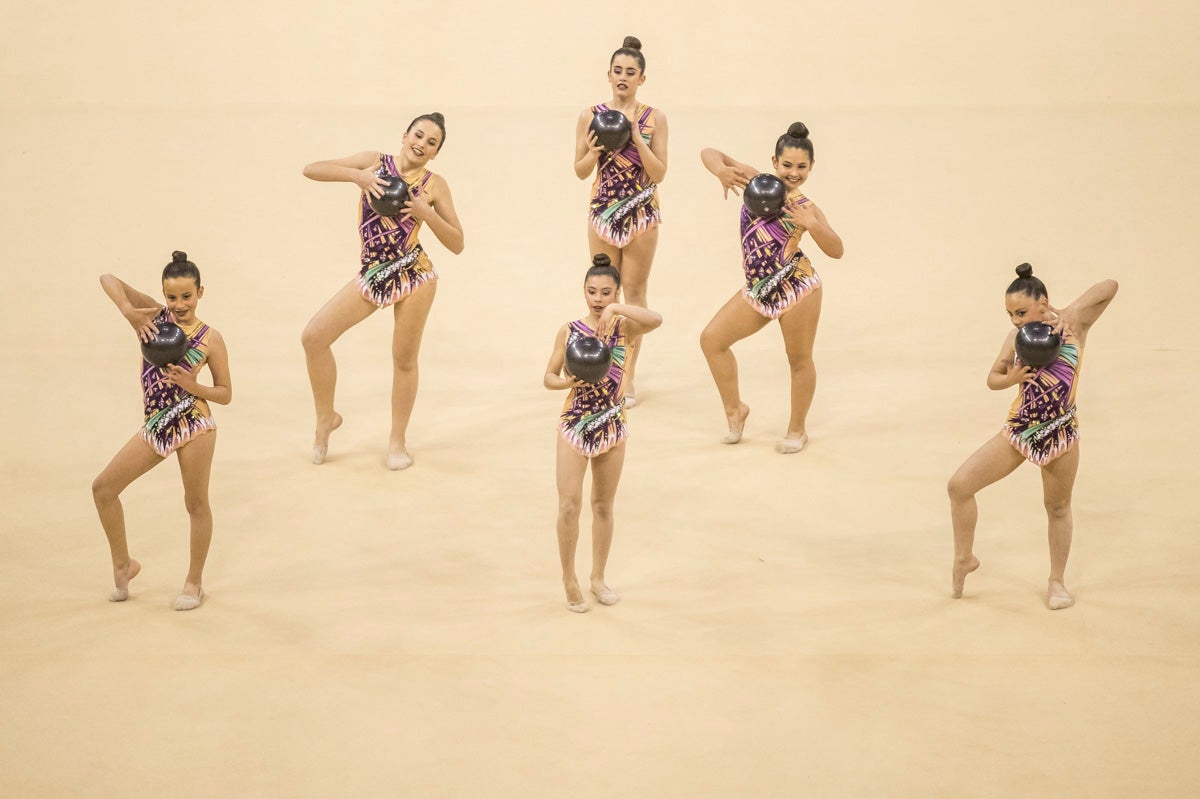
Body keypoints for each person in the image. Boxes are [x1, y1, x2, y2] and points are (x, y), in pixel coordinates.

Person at [948, 263, 1118, 609]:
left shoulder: (1074, 328)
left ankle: (1057, 582)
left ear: (1044, 302)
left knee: (1057, 506)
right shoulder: (1014, 339)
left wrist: (1071, 310)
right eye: (1010, 313)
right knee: (959, 486)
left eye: (1021, 312)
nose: (1015, 320)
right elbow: (992, 379)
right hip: (1021, 431)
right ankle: (964, 558)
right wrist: (1011, 379)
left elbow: (1110, 286)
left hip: (1060, 433)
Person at [301, 112, 464, 469]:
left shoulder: (435, 184)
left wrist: (426, 211)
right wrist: (357, 176)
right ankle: (326, 418)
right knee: (314, 337)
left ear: (435, 153)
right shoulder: (374, 163)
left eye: (431, 142)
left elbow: (457, 243)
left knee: (404, 359)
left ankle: (397, 442)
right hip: (374, 273)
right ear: (404, 135)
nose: (421, 144)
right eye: (418, 135)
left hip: (414, 275)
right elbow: (311, 169)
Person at [93, 251, 232, 610]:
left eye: (187, 296)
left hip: (193, 420)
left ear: (201, 292)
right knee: (104, 488)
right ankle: (124, 565)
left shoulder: (210, 338)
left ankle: (194, 582)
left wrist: (193, 385)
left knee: (195, 502)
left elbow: (226, 393)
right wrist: (127, 311)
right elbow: (108, 278)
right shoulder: (153, 318)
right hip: (157, 423)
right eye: (172, 296)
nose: (180, 304)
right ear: (163, 295)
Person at [699, 122, 844, 453]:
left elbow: (837, 250)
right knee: (712, 340)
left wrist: (813, 226)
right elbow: (708, 153)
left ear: (811, 167)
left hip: (798, 288)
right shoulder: (754, 180)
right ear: (775, 161)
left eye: (801, 167)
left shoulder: (806, 207)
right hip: (759, 291)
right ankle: (736, 410)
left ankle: (797, 430)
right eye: (787, 165)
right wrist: (721, 170)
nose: (793, 173)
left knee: (798, 359)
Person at [544, 254, 662, 612]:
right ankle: (569, 579)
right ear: (584, 291)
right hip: (576, 423)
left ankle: (597, 577)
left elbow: (656, 319)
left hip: (612, 423)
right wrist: (565, 380)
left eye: (606, 293)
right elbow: (548, 376)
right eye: (592, 292)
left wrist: (618, 311)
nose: (598, 299)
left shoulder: (625, 328)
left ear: (616, 293)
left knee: (602, 506)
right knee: (569, 505)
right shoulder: (569, 331)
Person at [573, 35, 668, 406]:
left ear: (642, 78)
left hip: (642, 212)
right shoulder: (590, 115)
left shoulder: (654, 117)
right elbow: (580, 171)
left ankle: (626, 377)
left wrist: (636, 138)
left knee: (634, 292)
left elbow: (659, 172)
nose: (624, 77)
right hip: (603, 212)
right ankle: (601, 370)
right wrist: (595, 148)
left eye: (631, 72)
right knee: (604, 294)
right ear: (608, 75)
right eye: (618, 71)